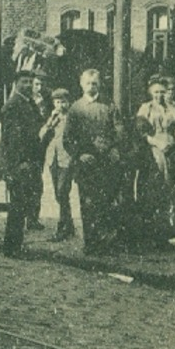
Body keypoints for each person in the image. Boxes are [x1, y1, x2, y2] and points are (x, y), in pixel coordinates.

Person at [64, 68, 129, 255]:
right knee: (88, 203)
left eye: (95, 83)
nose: (91, 86)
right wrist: (79, 155)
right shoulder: (76, 108)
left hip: (107, 162)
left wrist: (115, 147)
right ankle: (91, 243)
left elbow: (119, 130)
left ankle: (106, 241)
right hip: (86, 163)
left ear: (99, 84)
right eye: (88, 83)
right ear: (81, 84)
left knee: (107, 201)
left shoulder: (109, 105)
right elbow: (68, 138)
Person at [0, 69, 47, 257]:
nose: (27, 85)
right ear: (16, 84)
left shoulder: (30, 103)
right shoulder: (13, 105)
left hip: (29, 162)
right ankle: (12, 247)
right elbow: (12, 140)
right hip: (18, 164)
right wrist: (19, 163)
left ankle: (15, 245)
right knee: (17, 206)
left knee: (22, 204)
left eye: (29, 82)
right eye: (24, 82)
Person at [133, 75, 175, 243]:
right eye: (155, 92)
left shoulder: (173, 107)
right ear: (150, 92)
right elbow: (141, 132)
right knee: (154, 191)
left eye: (162, 92)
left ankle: (167, 235)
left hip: (172, 153)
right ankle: (152, 235)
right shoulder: (145, 108)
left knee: (171, 192)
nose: (159, 95)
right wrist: (156, 143)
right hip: (154, 153)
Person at [42, 87, 78, 241]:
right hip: (53, 158)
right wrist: (50, 122)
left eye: (63, 102)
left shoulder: (72, 118)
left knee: (63, 191)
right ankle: (68, 225)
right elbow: (42, 135)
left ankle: (63, 226)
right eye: (57, 102)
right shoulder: (53, 118)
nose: (60, 105)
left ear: (68, 103)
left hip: (67, 158)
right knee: (58, 193)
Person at [24, 73, 54, 231]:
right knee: (25, 182)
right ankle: (24, 216)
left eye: (41, 84)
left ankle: (32, 218)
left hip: (39, 148)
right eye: (36, 84)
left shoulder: (47, 102)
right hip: (26, 147)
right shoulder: (25, 101)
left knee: (36, 182)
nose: (39, 88)